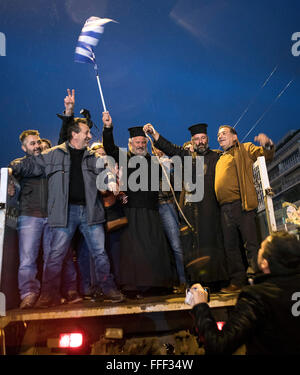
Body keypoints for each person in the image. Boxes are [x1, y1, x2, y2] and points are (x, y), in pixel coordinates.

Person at [10, 118, 125, 307]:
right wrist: (11, 169)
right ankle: (48, 294)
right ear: (74, 134)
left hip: (91, 212)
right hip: (65, 213)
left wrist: (112, 179)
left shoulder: (93, 158)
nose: (89, 136)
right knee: (56, 255)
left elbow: (105, 178)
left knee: (100, 254)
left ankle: (109, 289)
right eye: (86, 132)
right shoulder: (53, 155)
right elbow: (31, 165)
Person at [144, 123, 228, 291]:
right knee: (192, 247)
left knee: (214, 244)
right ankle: (196, 282)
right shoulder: (186, 156)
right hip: (191, 211)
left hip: (212, 209)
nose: (200, 142)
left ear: (207, 139)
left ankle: (217, 281)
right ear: (192, 141)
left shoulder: (217, 157)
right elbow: (170, 148)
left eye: (203, 138)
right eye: (196, 139)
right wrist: (154, 134)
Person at [102, 112, 177, 298]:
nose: (141, 145)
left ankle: (158, 285)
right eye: (137, 142)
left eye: (143, 142)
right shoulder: (123, 157)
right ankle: (133, 287)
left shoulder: (154, 161)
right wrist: (108, 128)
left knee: (154, 249)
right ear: (130, 144)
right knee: (133, 252)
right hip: (132, 211)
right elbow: (109, 147)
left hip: (152, 211)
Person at [189, 231, 300, 355]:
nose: (258, 251)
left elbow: (219, 345)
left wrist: (200, 307)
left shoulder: (256, 296)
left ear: (265, 263)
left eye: (261, 248)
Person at [9, 130, 77, 309]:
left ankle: (50, 294)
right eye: (32, 143)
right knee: (27, 259)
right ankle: (29, 294)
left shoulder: (49, 163)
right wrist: (9, 178)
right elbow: (12, 179)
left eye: (38, 142)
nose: (37, 146)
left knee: (52, 259)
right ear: (24, 147)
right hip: (30, 216)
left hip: (51, 216)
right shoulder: (19, 164)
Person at [215, 125, 274, 292]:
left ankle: (257, 279)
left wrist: (267, 143)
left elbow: (265, 155)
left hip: (242, 204)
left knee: (251, 245)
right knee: (231, 247)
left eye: (223, 133)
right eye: (218, 135)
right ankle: (237, 281)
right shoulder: (220, 157)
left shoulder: (245, 148)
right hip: (224, 209)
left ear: (235, 137)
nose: (219, 137)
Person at [152, 146, 187, 291]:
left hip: (166, 204)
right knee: (161, 247)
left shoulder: (169, 163)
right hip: (151, 208)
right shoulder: (148, 162)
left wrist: (169, 166)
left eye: (160, 149)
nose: (158, 151)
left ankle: (184, 280)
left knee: (176, 244)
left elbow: (177, 184)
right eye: (155, 149)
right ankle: (166, 282)